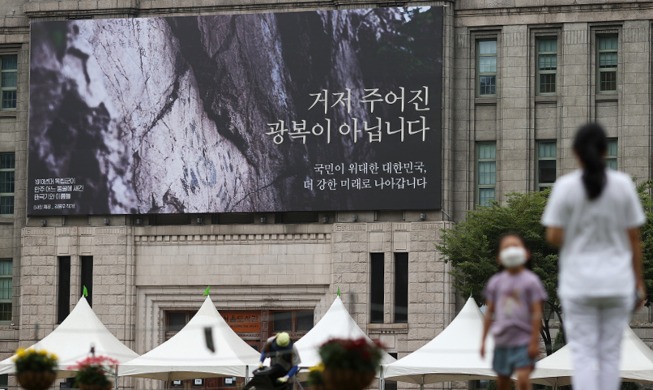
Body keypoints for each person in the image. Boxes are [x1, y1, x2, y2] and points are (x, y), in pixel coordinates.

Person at [541, 122, 647, 390]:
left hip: (579, 284)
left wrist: (577, 234)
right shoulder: (622, 185)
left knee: (584, 356)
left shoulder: (565, 187)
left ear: (576, 152)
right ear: (605, 151)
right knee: (610, 355)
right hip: (617, 283)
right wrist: (639, 283)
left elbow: (553, 236)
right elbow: (634, 238)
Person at [480, 233, 548, 390]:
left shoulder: (531, 281)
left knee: (523, 380)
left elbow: (537, 312)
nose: (511, 251)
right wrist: (483, 341)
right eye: (507, 248)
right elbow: (489, 313)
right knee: (503, 382)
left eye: (515, 247)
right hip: (502, 341)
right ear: (499, 257)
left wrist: (534, 341)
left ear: (526, 253)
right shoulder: (495, 282)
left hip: (523, 340)